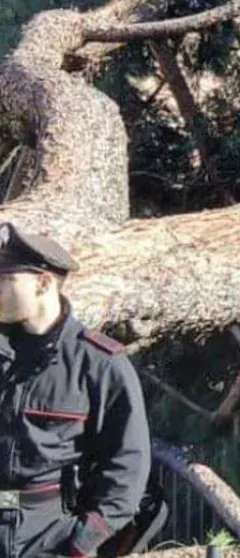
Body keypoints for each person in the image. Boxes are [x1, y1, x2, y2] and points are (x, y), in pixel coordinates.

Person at [0, 222, 152, 557]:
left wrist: (84, 541)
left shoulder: (99, 364)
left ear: (43, 283)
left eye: (6, 280)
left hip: (53, 532)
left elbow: (129, 462)